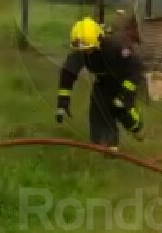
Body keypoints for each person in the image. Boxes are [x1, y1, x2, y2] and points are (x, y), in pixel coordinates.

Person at [56, 16, 145, 152]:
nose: (86, 53)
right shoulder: (81, 52)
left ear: (98, 41)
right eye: (83, 50)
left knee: (120, 107)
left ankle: (136, 128)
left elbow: (135, 69)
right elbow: (68, 74)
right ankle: (105, 145)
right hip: (103, 81)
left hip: (124, 79)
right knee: (99, 107)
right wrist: (62, 102)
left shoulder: (117, 47)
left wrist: (125, 94)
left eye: (89, 49)